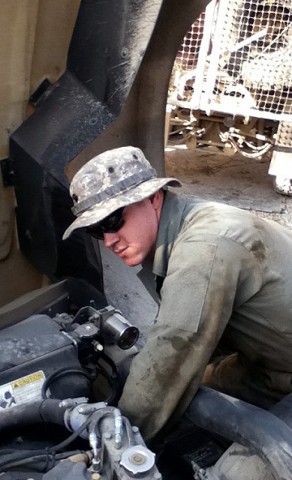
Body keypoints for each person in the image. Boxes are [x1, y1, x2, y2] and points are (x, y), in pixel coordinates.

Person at [63, 146, 292, 442]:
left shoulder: (204, 249)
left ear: (154, 197)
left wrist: (115, 443)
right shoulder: (188, 224)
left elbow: (172, 354)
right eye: (96, 231)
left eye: (112, 221)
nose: (108, 240)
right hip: (267, 360)